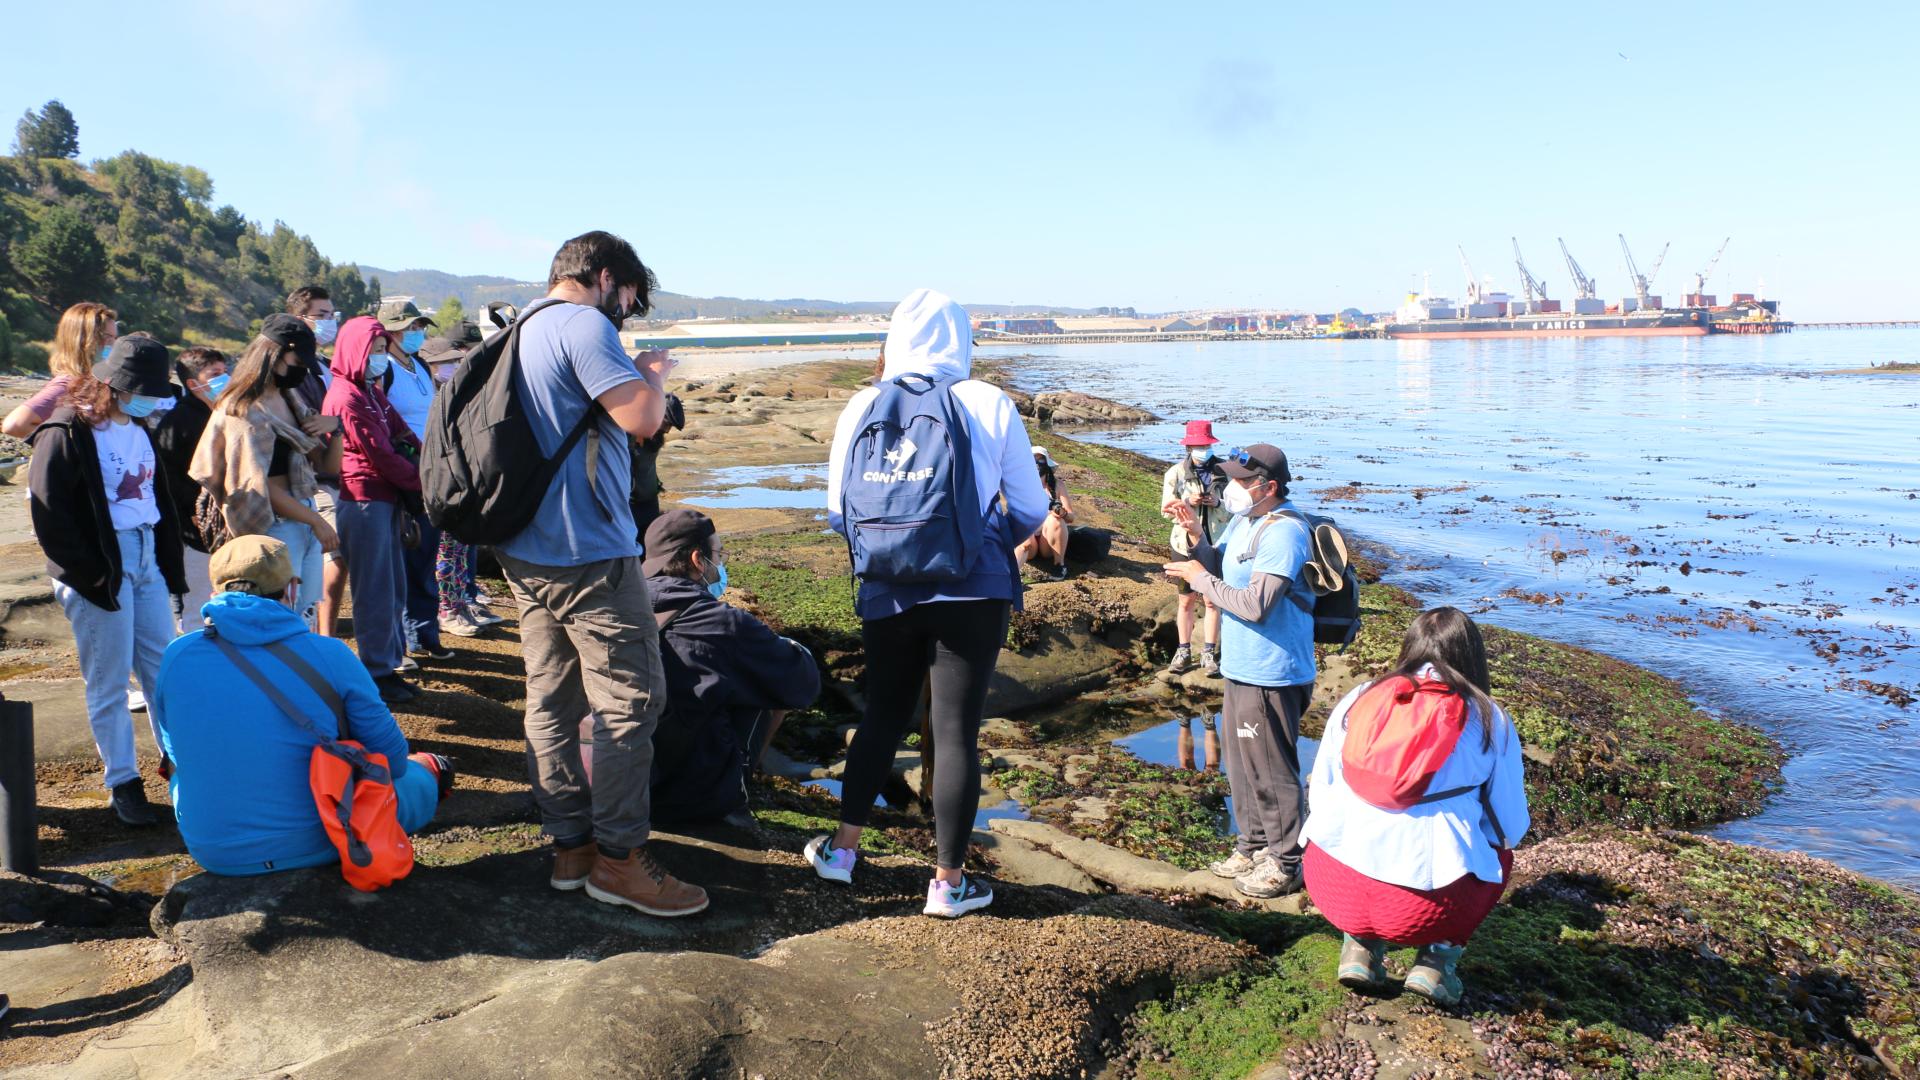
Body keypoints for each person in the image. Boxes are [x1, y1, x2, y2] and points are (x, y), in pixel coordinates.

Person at [810, 288, 1050, 918]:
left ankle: (841, 852)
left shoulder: (863, 403)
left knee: (883, 714)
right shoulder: (987, 401)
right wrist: (983, 534)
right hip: (973, 586)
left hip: (888, 587)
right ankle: (947, 884)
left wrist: (894, 547)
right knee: (955, 731)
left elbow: (840, 511)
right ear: (961, 339)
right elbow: (1031, 507)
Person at [495, 230, 705, 918]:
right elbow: (642, 422)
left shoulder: (519, 327)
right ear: (607, 276)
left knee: (551, 696)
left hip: (524, 545)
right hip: (586, 548)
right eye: (632, 299)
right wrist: (652, 375)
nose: (628, 312)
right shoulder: (584, 324)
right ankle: (619, 861)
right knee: (630, 699)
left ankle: (570, 848)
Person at [151, 535, 451, 876]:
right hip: (319, 838)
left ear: (213, 593)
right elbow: (393, 761)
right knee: (424, 772)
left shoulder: (177, 655)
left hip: (214, 849)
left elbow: (174, 756)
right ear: (292, 589)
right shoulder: (331, 654)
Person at [1301, 607, 1530, 1005]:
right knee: (1500, 857)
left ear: (1411, 647)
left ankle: (1360, 949)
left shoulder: (1361, 698)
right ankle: (1436, 964)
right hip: (1428, 908)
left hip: (1332, 885)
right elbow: (1510, 826)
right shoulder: (1489, 718)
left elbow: (1320, 790)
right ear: (1472, 655)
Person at [26, 335, 189, 826]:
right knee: (109, 681)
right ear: (114, 384)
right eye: (144, 389)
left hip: (144, 557)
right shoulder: (68, 430)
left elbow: (156, 498)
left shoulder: (137, 424)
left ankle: (180, 767)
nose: (153, 398)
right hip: (103, 564)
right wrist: (91, 573)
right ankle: (123, 782)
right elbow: (49, 511)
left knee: (164, 668)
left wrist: (164, 563)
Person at [1163, 442, 1316, 899]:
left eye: (1242, 481)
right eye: (1231, 478)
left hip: (1274, 673)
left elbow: (1255, 605)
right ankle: (1251, 847)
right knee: (1242, 764)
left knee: (1271, 768)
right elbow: (1219, 564)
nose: (1232, 486)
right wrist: (1195, 536)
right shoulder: (1247, 519)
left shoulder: (1285, 532)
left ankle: (1287, 861)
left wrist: (1199, 580)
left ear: (1268, 487)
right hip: (1241, 666)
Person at [643, 510, 820, 822]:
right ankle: (736, 792)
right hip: (691, 798)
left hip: (621, 784)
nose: (721, 564)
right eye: (719, 554)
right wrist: (792, 647)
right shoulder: (724, 624)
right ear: (699, 560)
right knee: (768, 680)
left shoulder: (619, 608)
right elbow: (802, 685)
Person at [190, 317, 344, 631]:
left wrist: (337, 428)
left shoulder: (290, 399)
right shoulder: (242, 409)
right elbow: (255, 485)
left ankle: (300, 676)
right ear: (274, 355)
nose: (302, 369)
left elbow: (327, 466)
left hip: (303, 516)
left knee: (304, 611)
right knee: (274, 615)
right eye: (297, 361)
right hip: (272, 527)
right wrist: (314, 520)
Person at [322, 316, 422, 705]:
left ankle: (389, 663)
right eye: (375, 351)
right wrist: (422, 481)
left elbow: (400, 433)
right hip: (365, 499)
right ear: (354, 352)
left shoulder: (370, 391)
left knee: (393, 586)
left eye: (383, 350)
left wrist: (424, 459)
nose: (379, 358)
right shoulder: (345, 396)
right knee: (375, 590)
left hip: (385, 498)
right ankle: (376, 672)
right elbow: (379, 453)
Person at [374, 301, 450, 663]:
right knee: (402, 560)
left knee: (425, 558)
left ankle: (425, 633)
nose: (415, 333)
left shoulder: (418, 365)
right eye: (407, 327)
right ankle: (402, 641)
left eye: (419, 325)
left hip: (428, 474)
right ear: (387, 331)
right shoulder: (384, 370)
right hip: (402, 476)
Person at [415, 334, 502, 639]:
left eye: (454, 360)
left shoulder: (451, 393)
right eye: (445, 362)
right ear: (429, 365)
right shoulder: (430, 399)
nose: (453, 366)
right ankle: (447, 610)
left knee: (460, 548)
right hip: (443, 481)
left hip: (461, 479)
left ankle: (462, 602)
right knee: (445, 550)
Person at [287, 285, 349, 638]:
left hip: (333, 470)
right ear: (300, 320)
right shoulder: (294, 372)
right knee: (333, 557)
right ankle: (323, 637)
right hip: (311, 475)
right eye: (321, 315)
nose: (329, 323)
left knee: (331, 560)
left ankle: (323, 635)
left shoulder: (323, 366)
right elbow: (310, 422)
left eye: (332, 315)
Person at [151, 346, 229, 629]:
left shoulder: (223, 413)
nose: (225, 379)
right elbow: (166, 478)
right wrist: (191, 513)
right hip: (192, 531)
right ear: (193, 383)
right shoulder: (179, 421)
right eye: (216, 374)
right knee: (197, 607)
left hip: (224, 525)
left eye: (225, 371)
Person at [1161, 421, 1229, 677]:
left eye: (1207, 445)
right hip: (1183, 544)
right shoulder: (1175, 473)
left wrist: (1218, 502)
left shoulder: (1225, 472)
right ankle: (1183, 650)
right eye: (1199, 445)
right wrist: (1186, 502)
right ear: (1189, 446)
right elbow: (1165, 510)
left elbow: (1236, 509)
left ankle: (1209, 654)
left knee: (1213, 600)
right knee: (1185, 600)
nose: (1204, 449)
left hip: (1216, 543)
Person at [2, 302, 118, 438]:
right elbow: (15, 425)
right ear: (83, 340)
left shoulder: (93, 381)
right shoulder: (68, 385)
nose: (114, 344)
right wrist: (69, 444)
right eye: (107, 337)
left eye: (115, 338)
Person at [628, 391, 684, 541]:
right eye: (666, 423)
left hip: (650, 502)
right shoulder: (628, 433)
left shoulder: (654, 437)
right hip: (631, 505)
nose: (667, 430)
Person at [1014, 445, 1073, 579]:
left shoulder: (1057, 485)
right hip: (1030, 540)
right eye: (1033, 460)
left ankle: (1059, 565)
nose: (1037, 464)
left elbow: (1071, 517)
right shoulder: (1020, 485)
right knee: (1024, 536)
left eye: (1040, 460)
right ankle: (1011, 577)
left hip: (1049, 541)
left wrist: (1061, 512)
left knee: (1054, 520)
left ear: (1046, 463)